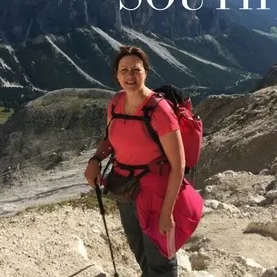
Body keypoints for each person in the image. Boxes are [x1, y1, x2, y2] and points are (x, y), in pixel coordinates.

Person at [84, 45, 202, 277]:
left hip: (156, 194)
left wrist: (167, 212)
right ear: (116, 75)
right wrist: (96, 159)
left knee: (160, 257)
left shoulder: (160, 110)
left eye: (136, 70)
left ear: (146, 72)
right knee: (138, 247)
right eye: (124, 70)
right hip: (126, 189)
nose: (130, 76)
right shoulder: (116, 103)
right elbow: (110, 138)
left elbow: (177, 165)